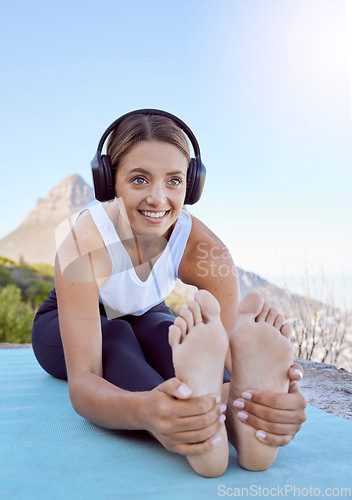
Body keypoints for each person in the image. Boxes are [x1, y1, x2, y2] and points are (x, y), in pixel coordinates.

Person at [32, 110, 307, 478]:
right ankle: (190, 423)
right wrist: (147, 412)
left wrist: (271, 403)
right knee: (116, 335)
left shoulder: (205, 250)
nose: (158, 199)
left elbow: (222, 350)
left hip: (148, 313)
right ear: (109, 181)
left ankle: (243, 420)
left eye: (174, 181)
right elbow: (84, 385)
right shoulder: (83, 246)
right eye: (140, 179)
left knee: (172, 335)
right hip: (63, 327)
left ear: (191, 186)